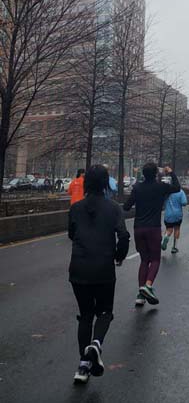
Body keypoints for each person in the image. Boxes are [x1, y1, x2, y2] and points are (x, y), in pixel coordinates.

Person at [68, 164, 129, 385]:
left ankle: (83, 366)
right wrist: (119, 256)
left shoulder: (76, 208)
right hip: (103, 268)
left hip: (78, 268)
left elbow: (71, 233)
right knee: (105, 312)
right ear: (105, 183)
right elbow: (123, 236)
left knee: (85, 315)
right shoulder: (113, 208)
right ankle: (96, 344)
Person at [123, 163, 180, 306]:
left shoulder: (137, 188)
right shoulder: (160, 187)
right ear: (156, 174)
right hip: (153, 228)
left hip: (138, 229)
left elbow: (126, 206)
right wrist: (171, 173)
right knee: (155, 259)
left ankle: (140, 296)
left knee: (144, 260)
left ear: (143, 173)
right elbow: (177, 187)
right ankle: (147, 286)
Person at [162, 185, 188, 254]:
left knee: (169, 229)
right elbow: (184, 203)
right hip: (177, 214)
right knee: (177, 229)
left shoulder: (167, 192)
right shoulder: (180, 192)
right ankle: (174, 247)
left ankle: (166, 237)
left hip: (168, 214)